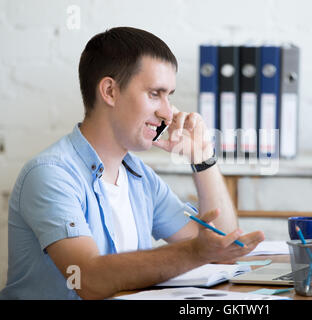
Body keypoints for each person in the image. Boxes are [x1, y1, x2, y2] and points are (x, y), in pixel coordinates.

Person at [0, 27, 264, 300]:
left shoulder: (140, 177)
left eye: (168, 95)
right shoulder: (50, 175)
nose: (166, 112)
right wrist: (196, 251)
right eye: (154, 94)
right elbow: (86, 277)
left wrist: (202, 158)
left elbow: (224, 246)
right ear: (110, 91)